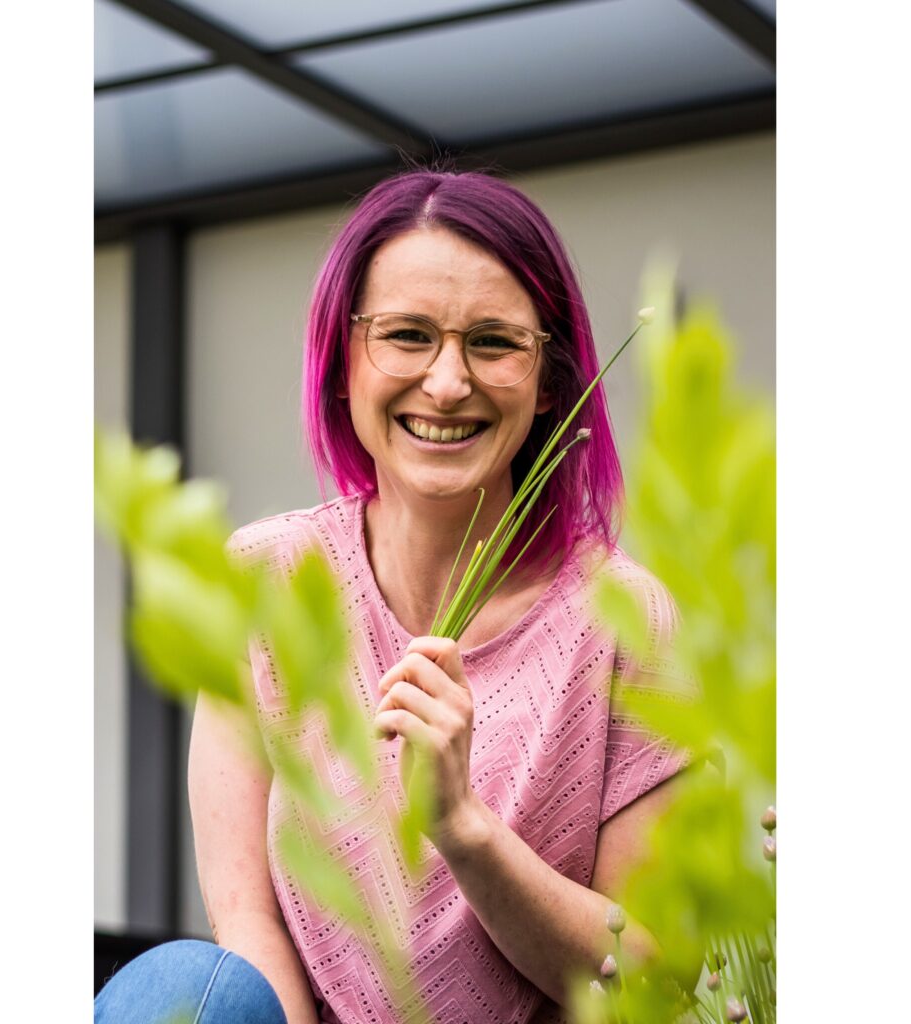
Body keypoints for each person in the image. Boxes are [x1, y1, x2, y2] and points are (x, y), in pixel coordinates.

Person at [95, 169, 694, 1024]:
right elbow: (247, 920)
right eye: (407, 335)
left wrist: (463, 826)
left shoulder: (628, 622)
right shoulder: (268, 580)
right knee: (180, 988)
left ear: (552, 381)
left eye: (493, 342)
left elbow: (649, 970)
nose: (447, 383)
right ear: (345, 362)